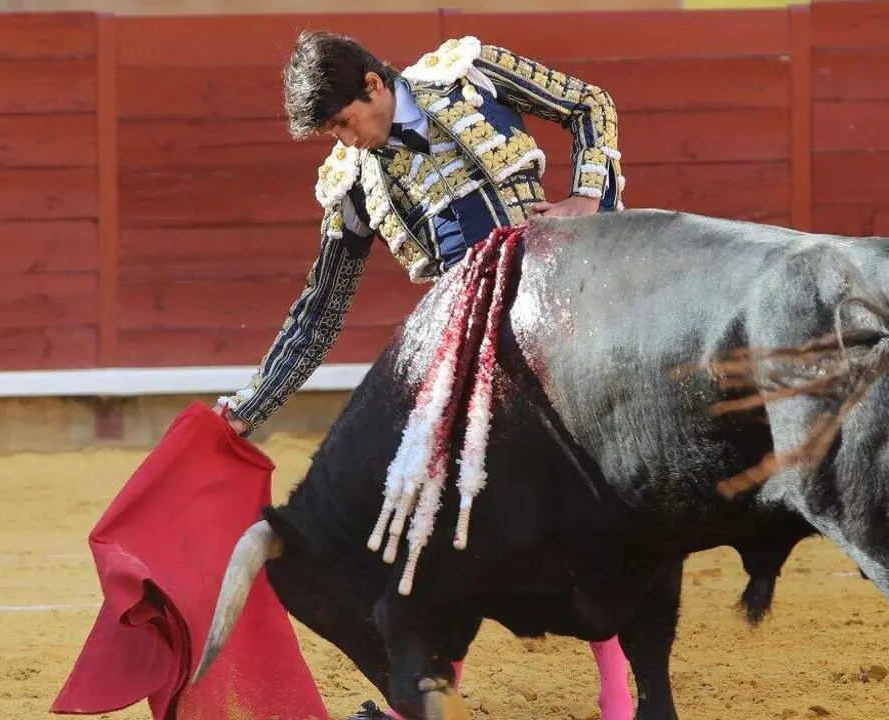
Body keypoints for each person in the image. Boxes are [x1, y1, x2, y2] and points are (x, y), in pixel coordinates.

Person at [212, 30, 632, 720]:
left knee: (588, 505)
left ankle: (618, 691)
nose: (345, 143)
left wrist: (588, 195)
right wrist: (251, 406)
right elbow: (322, 309)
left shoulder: (470, 73)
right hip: (468, 353)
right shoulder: (351, 180)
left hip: (562, 312)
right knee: (440, 523)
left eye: (346, 123)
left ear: (375, 86)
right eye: (332, 134)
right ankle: (430, 694)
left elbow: (590, 105)